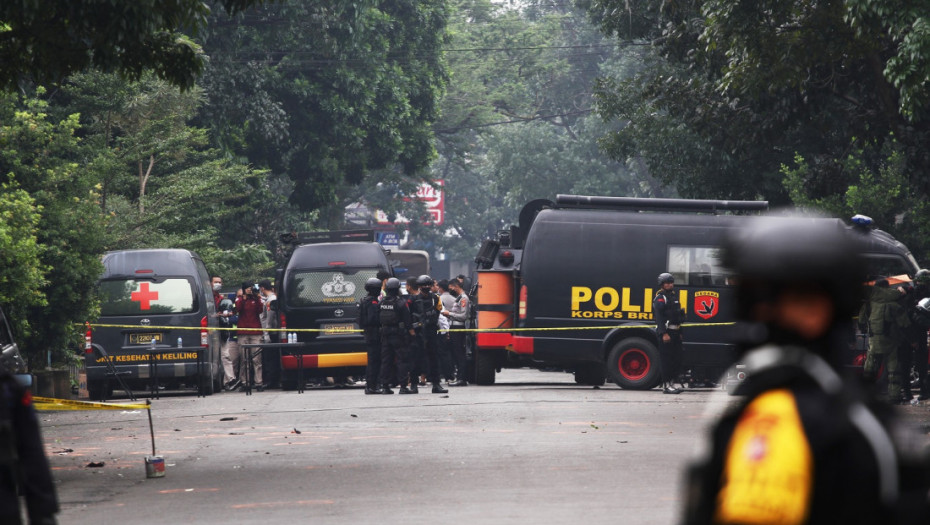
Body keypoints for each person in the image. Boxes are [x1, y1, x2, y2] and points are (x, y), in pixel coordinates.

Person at [681, 215, 930, 525]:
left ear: (820, 308)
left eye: (766, 299)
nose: (759, 313)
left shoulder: (781, 419)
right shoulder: (873, 420)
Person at [0, 371, 59, 525]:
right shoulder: (9, 389)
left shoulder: (9, 390)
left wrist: (43, 512)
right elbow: (32, 455)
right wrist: (43, 512)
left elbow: (32, 455)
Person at [863, 278, 910, 403]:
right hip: (891, 341)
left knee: (870, 368)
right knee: (893, 370)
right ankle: (894, 396)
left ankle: (866, 395)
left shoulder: (869, 303)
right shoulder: (894, 304)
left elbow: (861, 320)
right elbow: (904, 323)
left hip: (874, 341)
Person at [379, 278, 415, 394]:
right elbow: (408, 321)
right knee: (401, 361)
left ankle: (385, 387)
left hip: (385, 334)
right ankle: (403, 387)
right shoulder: (400, 303)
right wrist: (412, 335)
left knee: (386, 361)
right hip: (398, 335)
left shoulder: (382, 302)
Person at [414, 275, 449, 394]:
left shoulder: (435, 298)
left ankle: (436, 384)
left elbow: (439, 313)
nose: (426, 287)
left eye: (428, 285)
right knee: (416, 359)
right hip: (418, 333)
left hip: (431, 331)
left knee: (434, 358)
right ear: (419, 286)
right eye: (424, 285)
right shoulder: (413, 300)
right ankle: (414, 385)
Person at [654, 272, 684, 394]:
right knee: (666, 360)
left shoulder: (673, 297)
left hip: (676, 331)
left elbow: (677, 316)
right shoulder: (660, 298)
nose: (670, 285)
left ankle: (672, 384)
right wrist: (664, 333)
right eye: (667, 283)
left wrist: (680, 331)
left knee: (675, 360)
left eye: (671, 282)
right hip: (667, 332)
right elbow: (659, 318)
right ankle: (666, 386)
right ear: (662, 284)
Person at [903, 269, 930, 400]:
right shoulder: (911, 292)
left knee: (909, 363)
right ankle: (919, 391)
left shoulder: (911, 292)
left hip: (912, 331)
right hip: (915, 331)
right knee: (918, 363)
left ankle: (909, 392)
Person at [235, 282, 264, 391]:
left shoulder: (256, 299)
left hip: (256, 332)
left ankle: (259, 382)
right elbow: (238, 309)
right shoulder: (239, 299)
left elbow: (260, 310)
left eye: (251, 289)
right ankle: (245, 382)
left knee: (257, 359)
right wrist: (243, 297)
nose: (249, 290)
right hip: (243, 332)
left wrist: (257, 298)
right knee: (244, 359)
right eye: (247, 288)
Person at [443, 278, 470, 386]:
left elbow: (463, 316)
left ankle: (461, 378)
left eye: (451, 288)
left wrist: (449, 314)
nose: (450, 290)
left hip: (458, 329)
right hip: (453, 328)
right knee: (455, 354)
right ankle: (459, 377)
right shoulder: (458, 298)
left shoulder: (464, 299)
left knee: (459, 354)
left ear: (456, 286)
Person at [358, 277, 382, 394]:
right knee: (374, 361)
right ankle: (372, 386)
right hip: (374, 335)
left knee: (372, 361)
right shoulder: (372, 302)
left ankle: (370, 385)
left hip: (368, 334)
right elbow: (373, 319)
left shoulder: (364, 300)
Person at [258, 279, 280, 389]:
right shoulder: (269, 299)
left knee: (270, 358)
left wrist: (266, 334)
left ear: (262, 288)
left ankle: (272, 381)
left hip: (271, 333)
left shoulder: (270, 300)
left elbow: (269, 320)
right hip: (271, 332)